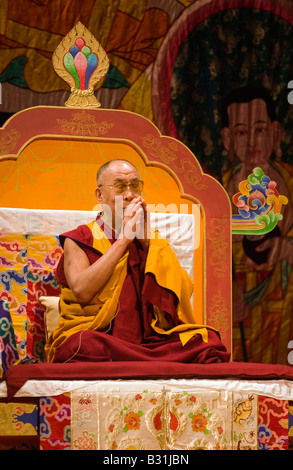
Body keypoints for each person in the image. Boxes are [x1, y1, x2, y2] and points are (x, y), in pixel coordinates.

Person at [45, 159, 230, 364]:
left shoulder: (149, 241)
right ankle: (149, 362)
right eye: (120, 187)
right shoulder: (81, 238)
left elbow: (180, 293)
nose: (130, 195)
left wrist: (147, 243)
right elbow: (81, 290)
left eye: (135, 186)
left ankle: (140, 360)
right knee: (82, 344)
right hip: (100, 334)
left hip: (147, 340)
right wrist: (124, 239)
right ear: (99, 195)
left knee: (208, 341)